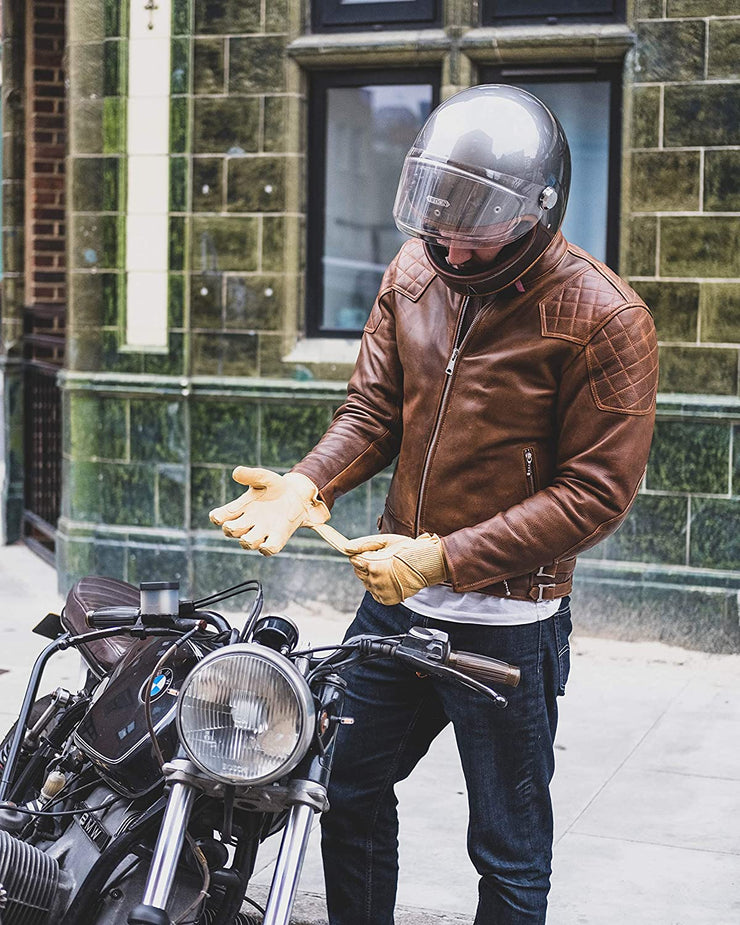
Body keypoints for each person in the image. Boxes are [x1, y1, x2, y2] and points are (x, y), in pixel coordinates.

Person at [209, 85, 658, 924]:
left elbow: (595, 494)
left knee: (509, 848)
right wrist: (311, 481)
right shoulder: (415, 268)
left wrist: (445, 554)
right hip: (396, 605)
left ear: (536, 211)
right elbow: (374, 412)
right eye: (437, 210)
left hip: (511, 626)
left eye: (473, 218)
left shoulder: (605, 317)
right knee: (342, 787)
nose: (447, 236)